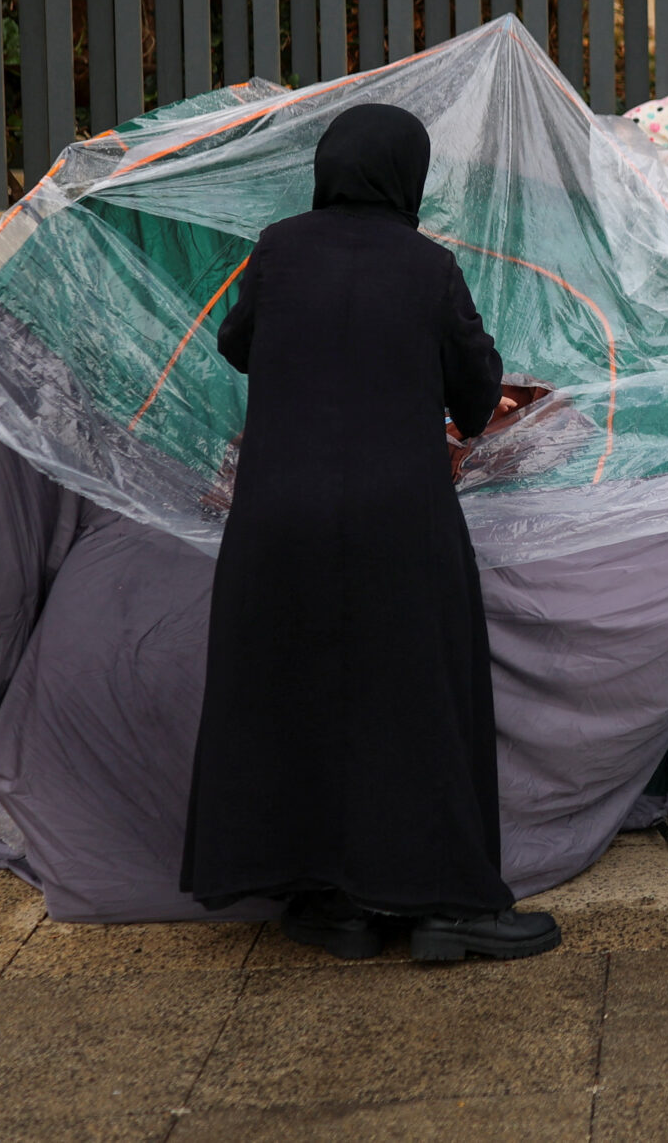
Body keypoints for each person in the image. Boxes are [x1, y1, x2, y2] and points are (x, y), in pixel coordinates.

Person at [180, 103, 560, 962]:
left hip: (278, 520)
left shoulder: (278, 249)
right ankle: (446, 906)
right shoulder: (429, 268)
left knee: (293, 696)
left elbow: (238, 344)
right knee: (420, 699)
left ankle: (330, 901)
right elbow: (475, 392)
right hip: (399, 519)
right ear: (408, 177)